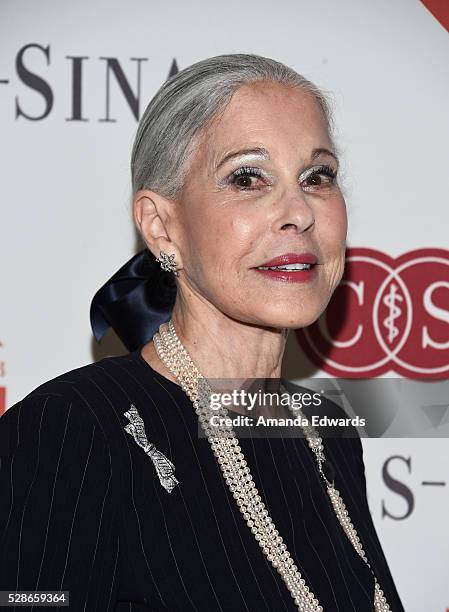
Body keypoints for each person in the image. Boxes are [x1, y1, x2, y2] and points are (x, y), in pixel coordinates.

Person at [0, 53, 405, 611]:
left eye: (318, 176)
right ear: (162, 227)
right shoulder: (75, 427)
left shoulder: (326, 431)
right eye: (247, 177)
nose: (299, 213)